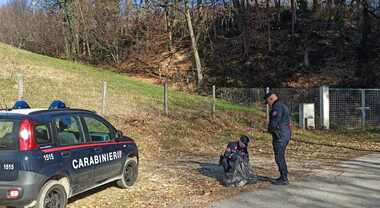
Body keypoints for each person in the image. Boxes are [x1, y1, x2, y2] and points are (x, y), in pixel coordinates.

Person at [264, 92, 291, 185]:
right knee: (280, 156)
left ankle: (284, 178)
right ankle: (283, 175)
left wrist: (270, 129)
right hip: (284, 133)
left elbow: (274, 122)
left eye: (268, 102)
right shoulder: (282, 105)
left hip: (280, 135)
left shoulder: (277, 107)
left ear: (271, 99)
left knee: (279, 157)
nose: (268, 105)